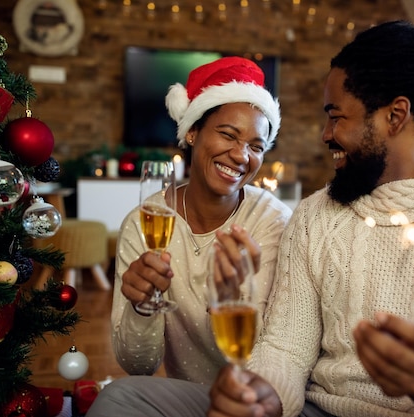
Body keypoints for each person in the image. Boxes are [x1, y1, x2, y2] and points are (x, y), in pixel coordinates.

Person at [87, 21, 414, 417]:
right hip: (315, 411)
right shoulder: (317, 215)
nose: (324, 134)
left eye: (336, 116)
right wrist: (263, 398)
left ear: (395, 116)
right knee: (124, 400)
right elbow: (284, 352)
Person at [100, 57, 292, 386]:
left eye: (256, 146)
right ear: (192, 132)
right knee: (120, 393)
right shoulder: (144, 222)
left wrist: (231, 298)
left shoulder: (272, 222)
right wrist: (141, 308)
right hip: (187, 395)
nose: (241, 156)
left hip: (254, 396)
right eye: (228, 135)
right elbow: (139, 366)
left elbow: (274, 359)